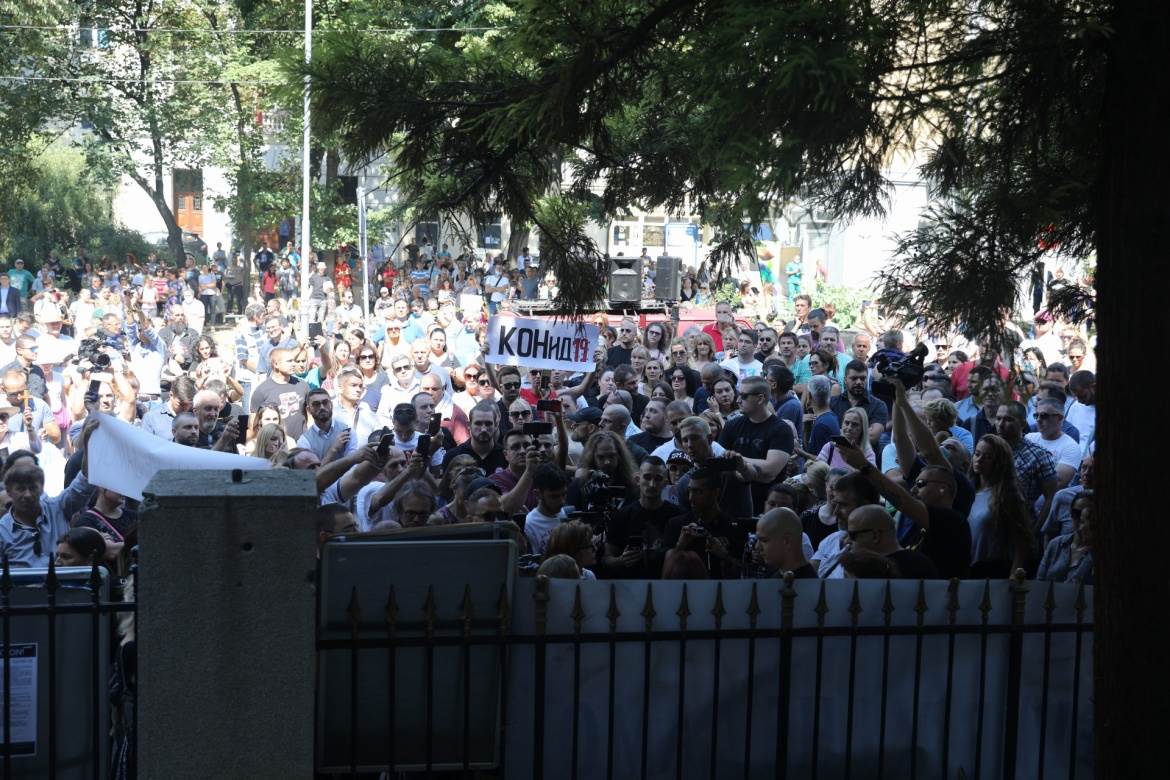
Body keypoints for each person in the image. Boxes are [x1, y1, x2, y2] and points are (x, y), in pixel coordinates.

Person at [969, 434, 1034, 577]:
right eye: (977, 454)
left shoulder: (1008, 495)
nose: (979, 460)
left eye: (987, 457)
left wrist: (1014, 575)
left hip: (993, 570)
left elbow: (1021, 540)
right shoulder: (968, 491)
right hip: (967, 569)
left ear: (999, 462)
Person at [605, 457, 679, 578]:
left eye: (658, 479)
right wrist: (621, 560)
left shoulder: (677, 516)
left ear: (665, 483)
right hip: (630, 586)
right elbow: (607, 559)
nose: (652, 484)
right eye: (647, 477)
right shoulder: (621, 516)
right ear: (638, 479)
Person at [249, 347, 311, 439]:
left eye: (294, 361)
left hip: (301, 444)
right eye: (289, 361)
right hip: (275, 446)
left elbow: (310, 415)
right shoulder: (261, 390)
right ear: (276, 364)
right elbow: (253, 425)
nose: (294, 364)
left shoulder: (303, 385)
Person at [1037, 490, 1094, 583]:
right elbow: (1039, 581)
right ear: (1071, 513)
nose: (1081, 518)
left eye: (1088, 516)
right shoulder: (1055, 544)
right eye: (1077, 513)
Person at [1025, 398, 1082, 487]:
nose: (1038, 420)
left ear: (1059, 418)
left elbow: (1057, 483)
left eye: (1044, 416)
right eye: (1036, 415)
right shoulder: (1028, 438)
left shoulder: (1071, 447)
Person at [754, 507, 816, 578]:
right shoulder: (772, 578)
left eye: (764, 540)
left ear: (787, 541)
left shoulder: (810, 586)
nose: (757, 547)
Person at [523, 463, 569, 554]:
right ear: (537, 494)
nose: (562, 502)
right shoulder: (529, 525)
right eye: (554, 497)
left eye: (564, 494)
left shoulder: (564, 514)